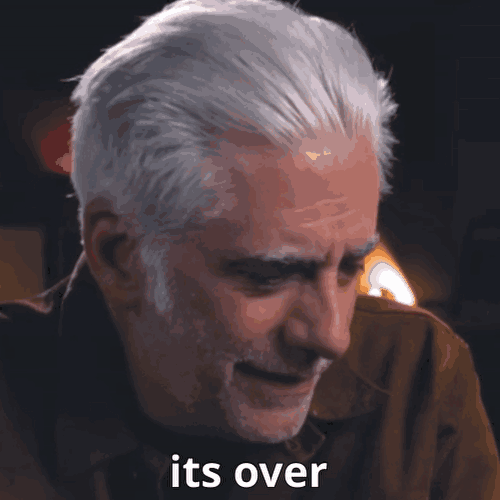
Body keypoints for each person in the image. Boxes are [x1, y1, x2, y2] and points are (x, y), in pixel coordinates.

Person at [0, 0, 498, 498]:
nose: (332, 336)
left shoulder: (417, 377)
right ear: (119, 255)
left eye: (350, 266)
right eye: (270, 275)